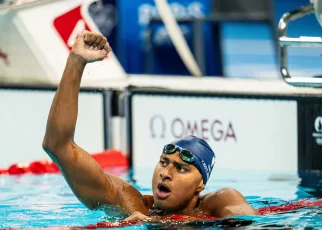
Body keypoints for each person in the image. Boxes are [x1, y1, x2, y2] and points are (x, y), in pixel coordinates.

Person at [42, 30, 258, 222]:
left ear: (200, 185)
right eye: (164, 162)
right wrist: (76, 61)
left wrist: (163, 223)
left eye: (181, 168)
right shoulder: (130, 203)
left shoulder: (220, 201)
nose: (166, 173)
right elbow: (58, 145)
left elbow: (250, 223)